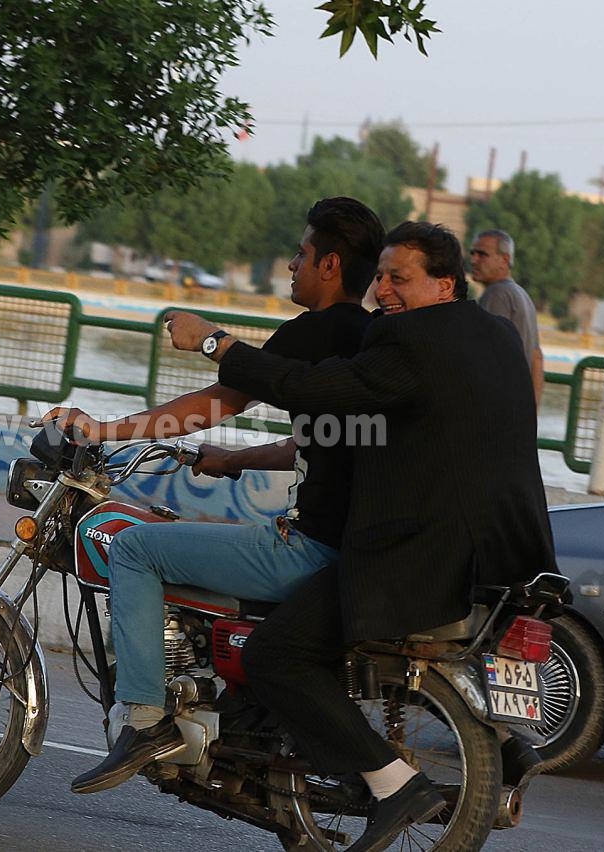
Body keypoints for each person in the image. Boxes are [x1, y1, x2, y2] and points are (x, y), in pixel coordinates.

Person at [165, 221, 557, 851]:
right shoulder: (495, 335)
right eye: (379, 276)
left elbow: (310, 389)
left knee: (276, 654)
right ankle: (508, 744)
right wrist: (238, 459)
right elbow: (349, 428)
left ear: (445, 284)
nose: (383, 290)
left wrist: (214, 342)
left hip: (422, 554)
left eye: (399, 278)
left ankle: (393, 783)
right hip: (507, 552)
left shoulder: (409, 341)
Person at [53, 197, 385, 795]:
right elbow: (320, 442)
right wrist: (234, 461)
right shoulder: (367, 337)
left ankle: (145, 721)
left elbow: (213, 405)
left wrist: (101, 430)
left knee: (134, 549)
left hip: (308, 548)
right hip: (354, 548)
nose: (292, 265)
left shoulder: (317, 330)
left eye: (301, 253)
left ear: (330, 265)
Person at [469, 229, 544, 404]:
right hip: (515, 407)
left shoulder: (497, 294)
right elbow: (537, 358)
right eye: (473, 253)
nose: (473, 260)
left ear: (504, 259)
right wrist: (530, 412)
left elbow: (487, 356)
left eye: (482, 254)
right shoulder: (522, 295)